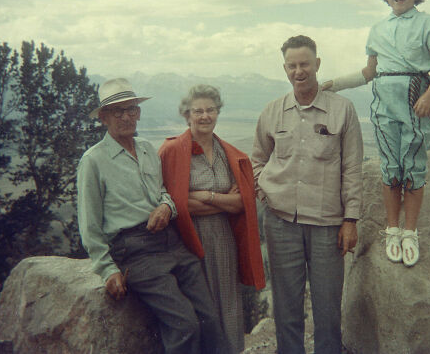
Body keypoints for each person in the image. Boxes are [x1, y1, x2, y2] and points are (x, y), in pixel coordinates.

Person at [77, 77, 231, 354]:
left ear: (139, 112)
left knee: (210, 318)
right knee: (185, 325)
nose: (126, 117)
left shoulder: (148, 149)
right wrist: (108, 269)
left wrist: (166, 207)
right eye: (117, 111)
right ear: (103, 117)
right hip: (134, 251)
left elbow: (163, 192)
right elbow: (89, 224)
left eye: (131, 109)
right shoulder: (93, 161)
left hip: (170, 242)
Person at [323, 0, 430, 267]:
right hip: (384, 102)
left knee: (413, 165)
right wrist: (334, 84)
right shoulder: (377, 29)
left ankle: (410, 231)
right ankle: (392, 228)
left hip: (414, 97)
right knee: (390, 166)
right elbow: (369, 72)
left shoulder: (427, 23)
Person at [252, 35, 363, 354]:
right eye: (292, 65)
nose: (299, 71)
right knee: (286, 309)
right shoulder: (273, 112)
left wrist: (351, 219)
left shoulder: (343, 110)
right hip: (281, 222)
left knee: (328, 309)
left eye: (304, 64)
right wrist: (265, 190)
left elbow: (352, 167)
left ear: (317, 64)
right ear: (285, 68)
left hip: (328, 225)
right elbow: (258, 158)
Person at [158, 84, 265, 353]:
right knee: (199, 307)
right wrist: (221, 200)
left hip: (223, 239)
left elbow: (243, 202)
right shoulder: (171, 152)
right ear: (187, 114)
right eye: (198, 111)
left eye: (210, 110)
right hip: (187, 240)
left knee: (228, 303)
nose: (204, 116)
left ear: (218, 113)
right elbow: (178, 206)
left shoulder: (229, 154)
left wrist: (204, 195)